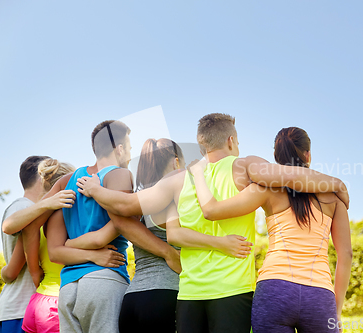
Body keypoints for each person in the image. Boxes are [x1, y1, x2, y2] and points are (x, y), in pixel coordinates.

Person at [77, 113, 349, 333]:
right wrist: (336, 183)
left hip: (190, 295)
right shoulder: (245, 166)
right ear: (231, 140)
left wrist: (95, 189)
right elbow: (288, 176)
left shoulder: (177, 180)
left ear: (202, 145)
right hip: (233, 292)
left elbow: (126, 206)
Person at [189, 126, 353, 333]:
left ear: (276, 157)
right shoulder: (334, 197)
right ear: (308, 155)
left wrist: (198, 175)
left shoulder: (265, 189)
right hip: (319, 295)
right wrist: (335, 311)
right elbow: (346, 254)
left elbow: (211, 210)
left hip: (275, 290)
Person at [45, 120, 181, 333]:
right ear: (119, 149)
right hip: (106, 279)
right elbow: (120, 221)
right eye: (128, 148)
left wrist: (71, 242)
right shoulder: (120, 176)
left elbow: (53, 249)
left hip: (70, 286)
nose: (129, 156)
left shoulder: (68, 180)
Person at [1, 158, 126, 333]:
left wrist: (35, 273)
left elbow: (17, 255)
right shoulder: (71, 219)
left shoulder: (35, 222)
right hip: (55, 301)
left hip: (37, 302)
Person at [0, 155, 49, 333]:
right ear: (43, 177)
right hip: (21, 308)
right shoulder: (23, 207)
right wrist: (6, 272)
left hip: (25, 307)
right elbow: (13, 269)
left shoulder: (29, 208)